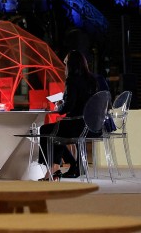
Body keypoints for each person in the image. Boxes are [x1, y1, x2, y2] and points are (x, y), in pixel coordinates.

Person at [38, 50, 100, 179]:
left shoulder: (72, 80)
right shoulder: (92, 80)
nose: (64, 65)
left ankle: (54, 166)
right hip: (90, 125)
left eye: (65, 62)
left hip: (75, 124)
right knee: (57, 133)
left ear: (71, 64)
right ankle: (72, 164)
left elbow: (68, 106)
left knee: (45, 130)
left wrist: (59, 107)